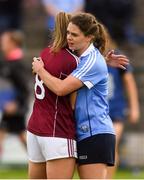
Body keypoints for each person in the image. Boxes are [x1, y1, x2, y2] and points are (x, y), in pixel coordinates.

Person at [32, 12, 129, 179]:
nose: (68, 37)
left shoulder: (92, 60)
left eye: (74, 34)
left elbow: (61, 89)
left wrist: (40, 70)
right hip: (82, 132)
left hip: (95, 133)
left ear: (89, 37)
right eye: (68, 32)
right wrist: (104, 60)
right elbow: (89, 64)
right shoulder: (85, 57)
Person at [27, 12, 78, 179]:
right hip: (57, 130)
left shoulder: (44, 53)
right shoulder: (73, 61)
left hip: (35, 128)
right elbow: (73, 104)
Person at [106, 33, 140, 179]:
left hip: (115, 111)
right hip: (96, 111)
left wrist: (134, 108)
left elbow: (129, 82)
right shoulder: (90, 58)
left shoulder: (117, 57)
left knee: (111, 144)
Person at [0, 30, 29, 155]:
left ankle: (39, 161)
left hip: (15, 107)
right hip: (10, 107)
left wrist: (16, 104)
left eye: (4, 41)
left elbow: (25, 88)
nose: (2, 44)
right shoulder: (7, 63)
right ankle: (38, 161)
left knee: (20, 134)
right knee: (20, 134)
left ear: (13, 43)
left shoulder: (17, 64)